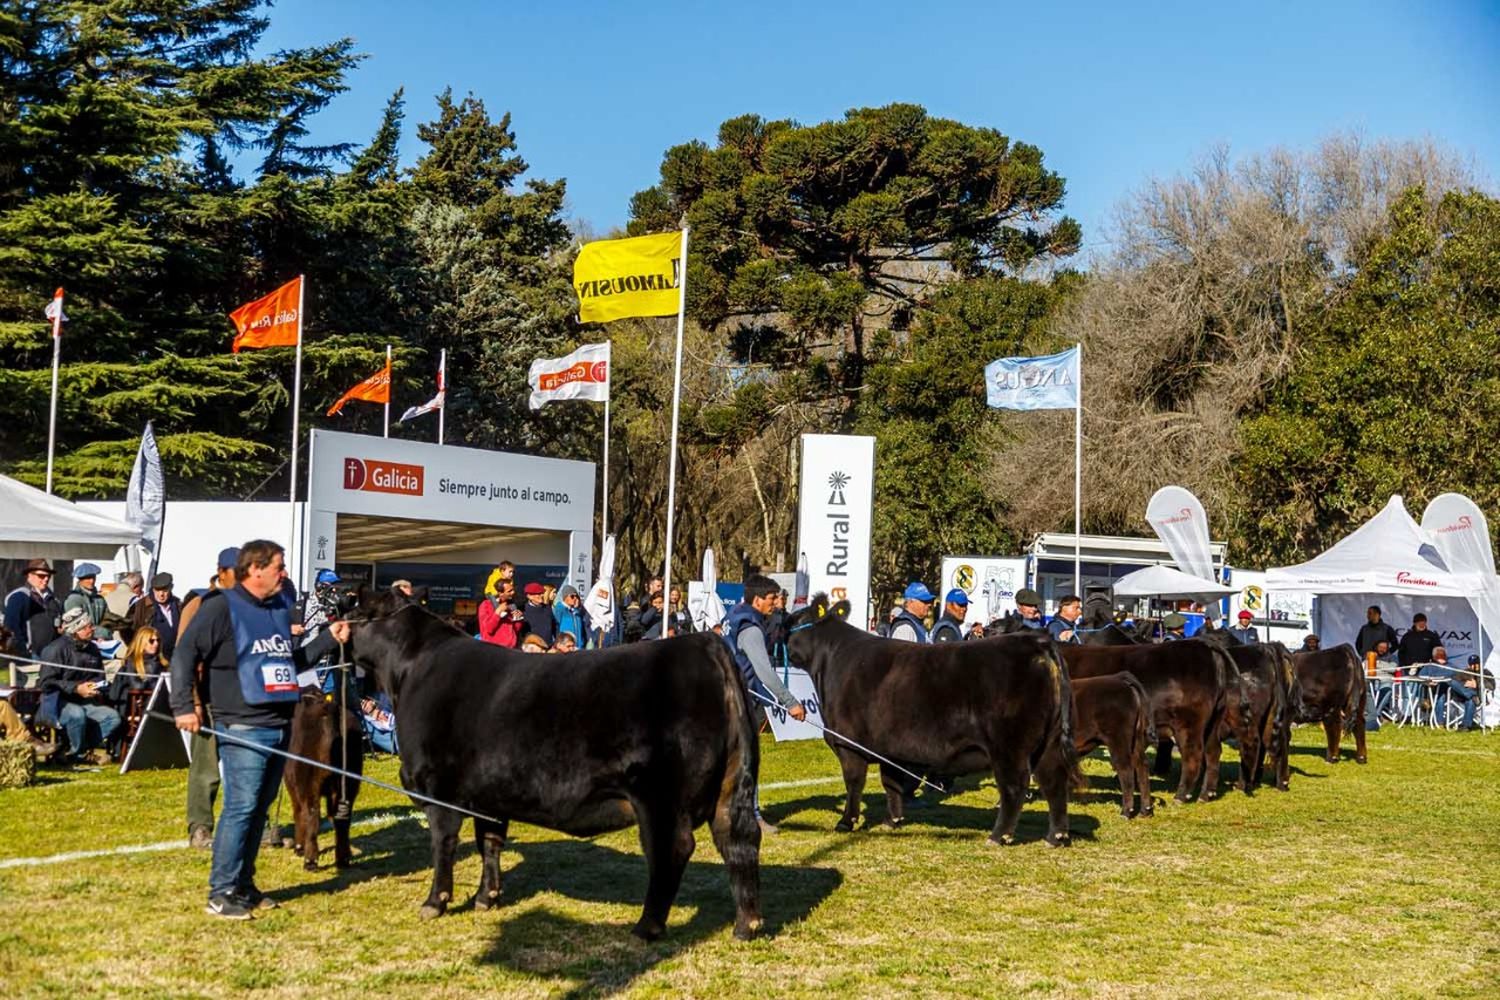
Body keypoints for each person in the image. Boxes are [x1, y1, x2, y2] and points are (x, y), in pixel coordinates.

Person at [169, 539, 349, 919]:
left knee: (259, 807)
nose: (284, 574)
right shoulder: (220, 607)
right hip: (242, 724)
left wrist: (328, 638)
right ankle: (221, 892)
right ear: (255, 570)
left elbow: (292, 660)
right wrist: (184, 706)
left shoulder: (278, 610)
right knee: (241, 808)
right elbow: (185, 654)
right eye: (279, 567)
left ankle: (245, 885)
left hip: (280, 723)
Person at [722, 575, 807, 832]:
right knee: (747, 760)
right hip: (741, 700)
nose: (775, 604)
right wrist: (790, 702)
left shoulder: (734, 614)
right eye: (772, 599)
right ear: (758, 600)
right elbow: (764, 671)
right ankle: (752, 817)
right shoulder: (751, 628)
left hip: (728, 696)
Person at [176, 547, 239, 848]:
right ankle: (200, 827)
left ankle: (256, 823)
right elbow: (185, 656)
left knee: (247, 766)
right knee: (206, 768)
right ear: (222, 571)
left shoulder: (246, 604)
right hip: (208, 697)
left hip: (242, 699)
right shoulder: (201, 604)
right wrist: (192, 703)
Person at [38, 608, 121, 764]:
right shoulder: (55, 649)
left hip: (84, 700)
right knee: (77, 714)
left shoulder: (93, 648)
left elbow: (99, 675)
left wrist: (95, 685)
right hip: (55, 702)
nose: (93, 629)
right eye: (88, 626)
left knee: (112, 718)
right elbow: (46, 683)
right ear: (77, 629)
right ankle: (79, 754)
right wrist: (76, 688)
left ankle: (73, 750)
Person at [4, 558, 63, 656]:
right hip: (30, 654)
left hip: (51, 655)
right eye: (41, 576)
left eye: (48, 576)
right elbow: (11, 628)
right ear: (29, 575)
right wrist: (24, 649)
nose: (46, 579)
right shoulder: (19, 597)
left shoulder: (53, 599)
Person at [112, 625, 167, 710]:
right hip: (135, 704)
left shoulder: (162, 662)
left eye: (158, 640)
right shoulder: (132, 661)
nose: (156, 644)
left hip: (156, 701)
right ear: (142, 643)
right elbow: (137, 686)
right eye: (151, 641)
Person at [134, 573, 183, 661]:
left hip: (176, 657)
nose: (161, 594)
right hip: (152, 659)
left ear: (171, 588)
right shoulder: (142, 606)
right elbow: (129, 630)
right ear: (153, 589)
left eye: (165, 590)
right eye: (157, 590)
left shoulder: (178, 605)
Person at [63, 562, 113, 641]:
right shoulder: (73, 599)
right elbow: (77, 626)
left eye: (93, 577)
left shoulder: (100, 599)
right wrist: (102, 633)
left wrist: (103, 636)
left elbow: (108, 621)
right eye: (88, 578)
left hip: (100, 642)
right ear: (80, 579)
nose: (92, 581)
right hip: (78, 642)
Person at [478, 579, 526, 648]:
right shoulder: (486, 605)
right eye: (509, 591)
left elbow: (515, 630)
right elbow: (489, 629)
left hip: (510, 649)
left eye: (513, 590)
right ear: (500, 593)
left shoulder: (510, 605)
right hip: (495, 650)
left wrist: (518, 619)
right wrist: (498, 612)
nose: (513, 592)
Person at [552, 585, 587, 649]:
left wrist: (577, 608)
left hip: (579, 646)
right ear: (565, 597)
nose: (575, 598)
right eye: (572, 596)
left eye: (576, 596)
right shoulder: (560, 609)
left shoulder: (577, 611)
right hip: (566, 646)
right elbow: (556, 626)